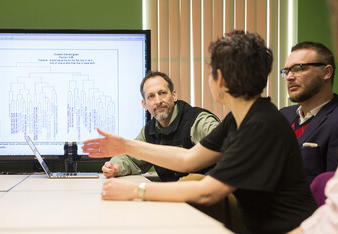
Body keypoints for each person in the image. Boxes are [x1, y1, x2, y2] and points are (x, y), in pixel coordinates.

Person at [82, 30, 317, 234]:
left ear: (220, 79)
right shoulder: (239, 119)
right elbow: (188, 159)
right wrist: (126, 145)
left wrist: (136, 189)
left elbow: (208, 192)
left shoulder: (260, 125)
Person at [103, 71, 220, 181]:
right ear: (144, 104)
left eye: (162, 93)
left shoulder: (198, 121)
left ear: (174, 95)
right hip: (174, 198)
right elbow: (132, 158)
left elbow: (226, 147)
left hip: (208, 195)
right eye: (151, 96)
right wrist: (114, 166)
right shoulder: (149, 131)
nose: (158, 101)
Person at [279, 41, 338, 183]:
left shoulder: (335, 121)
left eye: (299, 68)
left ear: (326, 72)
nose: (289, 77)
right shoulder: (283, 115)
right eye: (286, 71)